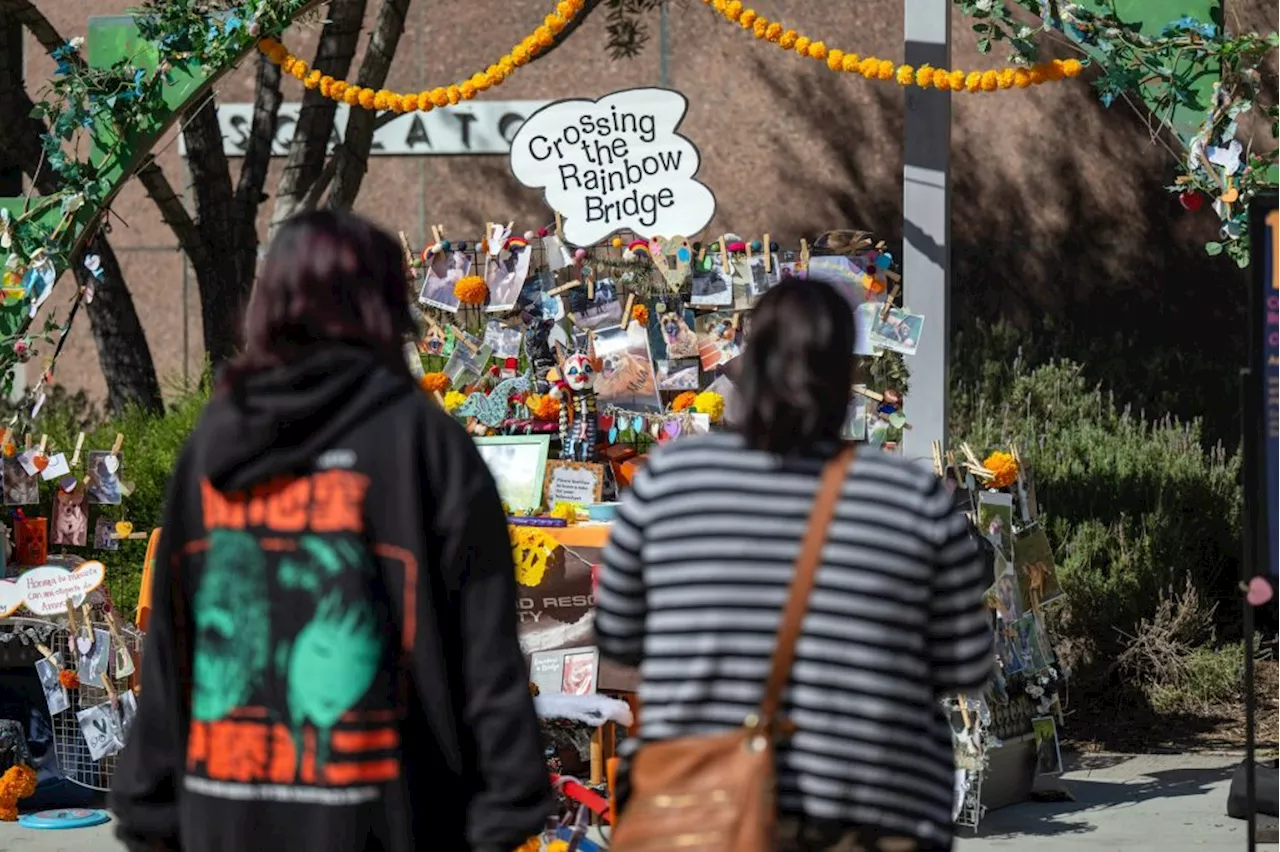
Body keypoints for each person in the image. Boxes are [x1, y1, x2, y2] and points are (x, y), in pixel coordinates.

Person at [110, 210, 551, 852]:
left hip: (223, 819)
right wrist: (504, 804)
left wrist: (151, 805)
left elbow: (174, 647)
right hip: (392, 822)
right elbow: (484, 654)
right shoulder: (425, 445)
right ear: (387, 307)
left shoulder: (214, 444)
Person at [596, 276, 993, 852]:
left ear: (750, 363)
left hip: (702, 807)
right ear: (844, 377)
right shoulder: (911, 499)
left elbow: (620, 639)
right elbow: (966, 665)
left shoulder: (668, 480)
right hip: (875, 812)